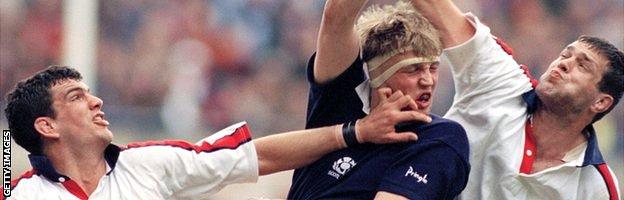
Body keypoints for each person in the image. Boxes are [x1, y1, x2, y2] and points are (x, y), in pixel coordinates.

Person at [4, 65, 427, 199]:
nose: (97, 102)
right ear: (47, 126)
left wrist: (356, 132)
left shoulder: (149, 163)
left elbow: (261, 156)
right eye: (78, 97)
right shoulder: (20, 192)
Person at [405, 1, 623, 199]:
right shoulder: (500, 79)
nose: (563, 64)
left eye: (583, 65)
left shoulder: (597, 187)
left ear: (601, 102)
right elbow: (433, 7)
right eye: (565, 55)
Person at [287, 1, 470, 199]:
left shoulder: (439, 137)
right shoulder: (341, 99)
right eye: (413, 69)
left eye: (433, 68)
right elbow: (337, 15)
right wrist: (357, 132)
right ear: (378, 74)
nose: (428, 81)